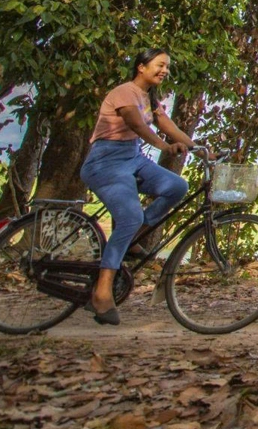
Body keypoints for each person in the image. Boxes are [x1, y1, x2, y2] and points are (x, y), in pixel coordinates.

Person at [80, 49, 194, 324]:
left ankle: (132, 239)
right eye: (159, 65)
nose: (164, 70)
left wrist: (200, 149)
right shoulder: (124, 92)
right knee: (129, 216)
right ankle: (102, 291)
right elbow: (135, 124)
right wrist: (165, 147)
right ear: (141, 67)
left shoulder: (150, 98)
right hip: (106, 161)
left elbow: (166, 124)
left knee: (177, 186)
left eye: (167, 66)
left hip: (132, 158)